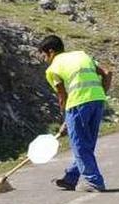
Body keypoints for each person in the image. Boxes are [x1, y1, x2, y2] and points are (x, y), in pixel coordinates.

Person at [37, 34, 112, 192]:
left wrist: (66, 119)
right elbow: (107, 72)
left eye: (44, 55)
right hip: (98, 101)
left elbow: (62, 95)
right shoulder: (81, 55)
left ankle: (94, 181)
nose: (44, 59)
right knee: (87, 143)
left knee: (79, 145)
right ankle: (71, 178)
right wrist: (101, 94)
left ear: (51, 52)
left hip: (78, 103)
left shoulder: (53, 69)